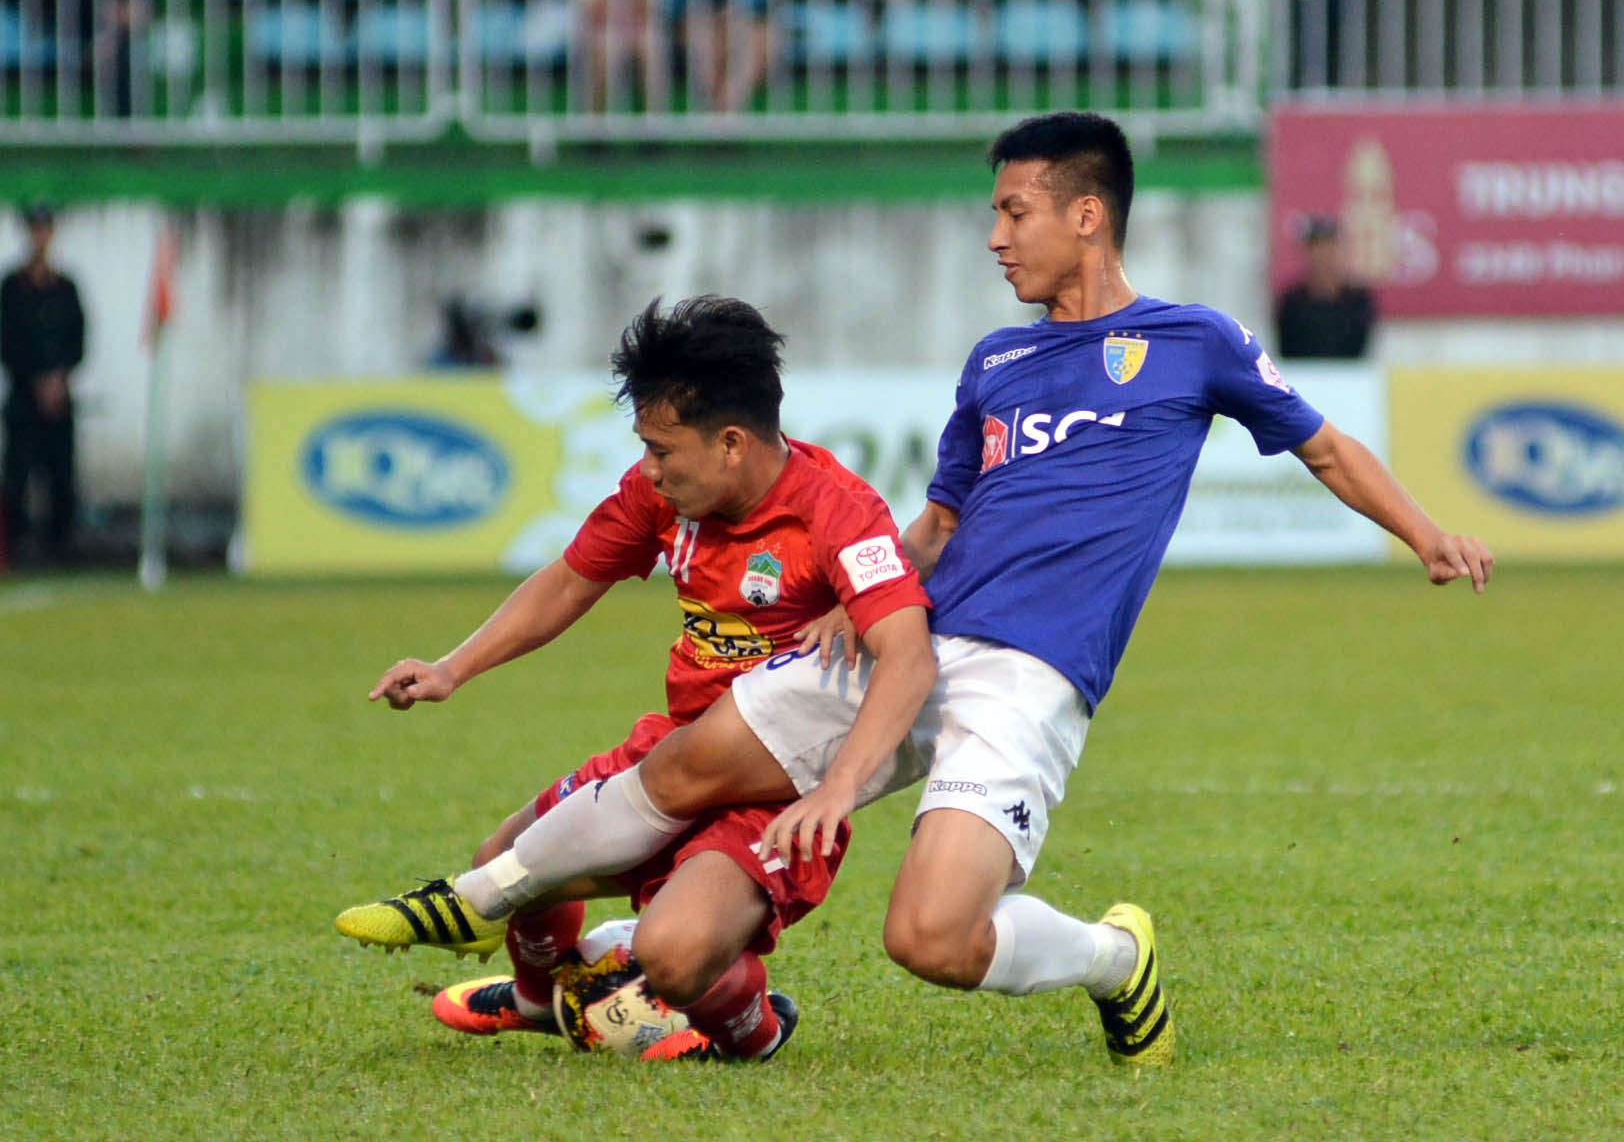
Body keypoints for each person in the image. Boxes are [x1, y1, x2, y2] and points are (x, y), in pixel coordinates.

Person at [362, 112, 1495, 1069]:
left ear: (1085, 215)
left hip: (1026, 674)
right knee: (685, 760)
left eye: (1015, 211)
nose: (995, 234)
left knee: (931, 937)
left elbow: (1325, 445)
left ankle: (1114, 956)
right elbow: (942, 517)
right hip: (913, 638)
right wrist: (860, 598)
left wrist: (1425, 533)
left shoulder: (1193, 341)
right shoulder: (994, 364)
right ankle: (496, 895)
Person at [337, 294, 936, 1061]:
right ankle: (535, 999)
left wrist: (839, 788)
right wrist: (454, 668)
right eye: (644, 447)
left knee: (676, 952)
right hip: (674, 754)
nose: (649, 469)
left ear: (730, 444)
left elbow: (909, 653)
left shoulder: (837, 512)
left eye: (662, 450)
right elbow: (570, 580)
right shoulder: (661, 497)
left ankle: (752, 1029)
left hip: (773, 794)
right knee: (505, 858)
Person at [2, 203, 86, 566]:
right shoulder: (12, 288)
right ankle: (17, 545)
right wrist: (36, 379)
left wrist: (59, 379)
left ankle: (60, 548)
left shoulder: (65, 289)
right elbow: (7, 341)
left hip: (59, 399)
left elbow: (79, 340)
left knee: (61, 477)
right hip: (23, 397)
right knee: (18, 476)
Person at [1274, 214, 1377, 360]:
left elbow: (1359, 349)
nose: (1324, 256)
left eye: (1331, 247)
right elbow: (1288, 349)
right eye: (1317, 248)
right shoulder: (1292, 300)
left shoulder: (1359, 300)